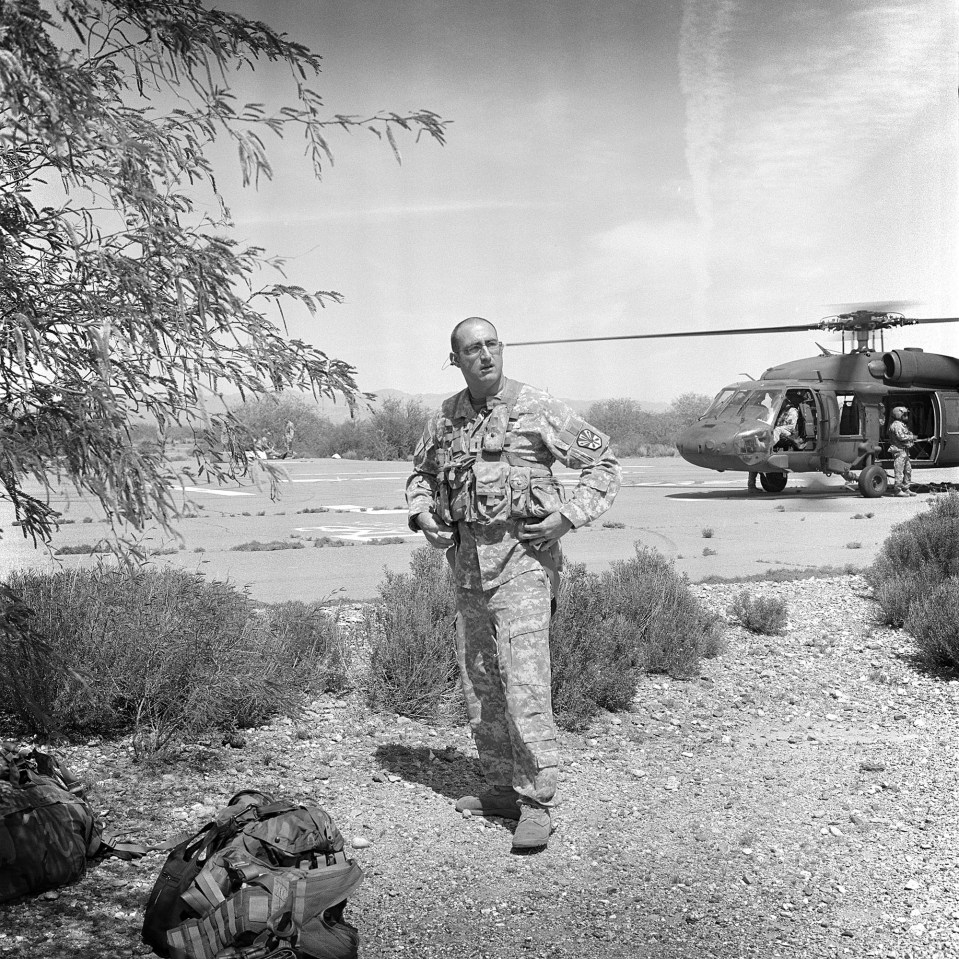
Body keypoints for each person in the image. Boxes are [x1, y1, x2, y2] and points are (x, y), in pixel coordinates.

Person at [406, 317, 621, 851]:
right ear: (455, 360)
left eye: (492, 345)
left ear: (502, 349)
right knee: (481, 684)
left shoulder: (538, 407)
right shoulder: (446, 418)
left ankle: (537, 802)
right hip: (468, 572)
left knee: (525, 684)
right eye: (472, 349)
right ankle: (504, 787)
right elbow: (421, 475)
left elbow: (604, 464)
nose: (485, 355)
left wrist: (567, 517)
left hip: (524, 565)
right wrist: (423, 515)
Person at [887, 406, 918, 496]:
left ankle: (906, 488)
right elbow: (901, 437)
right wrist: (912, 437)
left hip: (904, 451)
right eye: (904, 414)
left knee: (908, 470)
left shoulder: (901, 424)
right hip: (899, 451)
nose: (906, 416)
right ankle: (898, 490)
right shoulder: (896, 425)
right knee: (899, 471)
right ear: (898, 415)